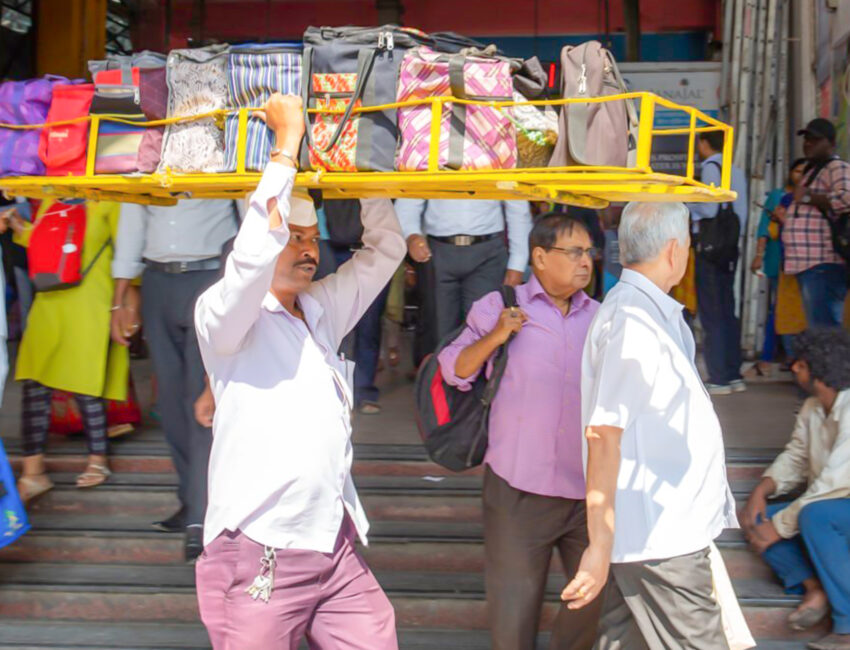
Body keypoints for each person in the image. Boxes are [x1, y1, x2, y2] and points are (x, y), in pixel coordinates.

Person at [193, 93, 404, 649]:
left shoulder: (318, 310)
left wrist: (366, 175)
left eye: (313, 240)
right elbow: (252, 258)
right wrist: (285, 148)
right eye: (294, 238)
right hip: (259, 549)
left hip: (332, 545)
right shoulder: (224, 315)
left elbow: (386, 249)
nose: (308, 251)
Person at [565, 201, 740, 649]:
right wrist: (599, 546)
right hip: (661, 539)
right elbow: (604, 433)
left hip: (660, 533)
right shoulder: (633, 321)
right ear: (673, 250)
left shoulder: (649, 311)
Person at [438, 214, 602, 650]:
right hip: (517, 489)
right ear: (540, 257)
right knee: (514, 620)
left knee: (599, 596)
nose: (586, 261)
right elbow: (456, 370)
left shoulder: (603, 318)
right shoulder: (500, 305)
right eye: (575, 252)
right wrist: (496, 336)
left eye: (589, 252)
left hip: (588, 491)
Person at [112, 193, 240, 561]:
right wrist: (120, 299)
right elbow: (132, 221)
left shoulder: (227, 147)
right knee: (169, 403)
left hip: (211, 277)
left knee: (201, 403)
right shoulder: (146, 153)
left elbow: (251, 217)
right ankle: (189, 499)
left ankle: (203, 516)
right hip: (158, 282)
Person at [7, 201, 131, 501]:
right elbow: (42, 240)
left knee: (86, 380)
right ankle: (33, 472)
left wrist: (124, 304)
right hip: (50, 297)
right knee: (34, 379)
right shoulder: (52, 195)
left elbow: (127, 255)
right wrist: (17, 226)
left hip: (92, 298)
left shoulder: (109, 199)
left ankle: (98, 460)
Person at [742, 328, 850, 650]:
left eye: (799, 363)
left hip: (836, 502)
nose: (794, 369)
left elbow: (836, 482)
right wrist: (763, 489)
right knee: (755, 518)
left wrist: (780, 526)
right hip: (833, 505)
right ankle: (813, 587)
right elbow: (796, 456)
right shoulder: (813, 407)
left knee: (814, 516)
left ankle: (846, 628)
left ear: (814, 366)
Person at [395, 198, 533, 351]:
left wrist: (517, 264)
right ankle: (439, 374)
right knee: (438, 332)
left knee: (484, 329)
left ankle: (482, 375)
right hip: (437, 252)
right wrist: (411, 235)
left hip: (488, 256)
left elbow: (518, 207)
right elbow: (409, 198)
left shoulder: (498, 171)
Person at [687, 130, 749, 395]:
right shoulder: (735, 170)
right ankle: (734, 374)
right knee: (727, 310)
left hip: (710, 249)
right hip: (729, 248)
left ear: (703, 143)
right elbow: (741, 212)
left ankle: (719, 378)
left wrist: (687, 203)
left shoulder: (711, 167)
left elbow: (710, 208)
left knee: (711, 312)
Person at [781, 119, 850, 328]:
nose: (808, 143)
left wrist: (809, 197)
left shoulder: (836, 167)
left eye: (815, 139)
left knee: (824, 330)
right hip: (810, 265)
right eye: (806, 139)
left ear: (831, 143)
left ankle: (830, 362)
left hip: (823, 264)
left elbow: (847, 198)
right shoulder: (813, 170)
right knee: (818, 328)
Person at [749, 158, 808, 376]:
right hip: (780, 259)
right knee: (779, 310)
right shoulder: (780, 197)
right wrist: (759, 255)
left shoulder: (806, 198)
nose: (800, 175)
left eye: (804, 171)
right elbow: (765, 229)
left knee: (789, 312)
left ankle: (783, 358)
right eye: (797, 171)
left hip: (800, 262)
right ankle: (772, 357)